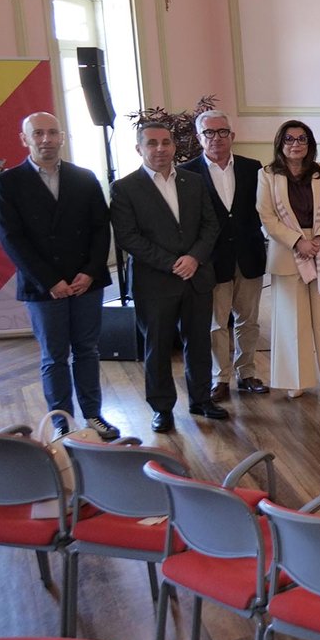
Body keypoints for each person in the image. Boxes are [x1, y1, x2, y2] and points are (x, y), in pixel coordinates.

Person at [0, 112, 119, 440]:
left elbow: (100, 229)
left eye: (52, 133)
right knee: (54, 356)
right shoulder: (8, 183)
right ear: (25, 139)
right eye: (38, 133)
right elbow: (12, 239)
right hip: (43, 286)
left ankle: (93, 415)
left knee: (87, 350)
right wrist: (50, 281)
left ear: (62, 137)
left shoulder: (84, 178)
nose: (46, 139)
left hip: (85, 283)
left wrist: (90, 272)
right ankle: (61, 421)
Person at [110, 122, 226, 433]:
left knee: (199, 342)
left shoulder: (193, 181)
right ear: (139, 148)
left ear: (174, 146)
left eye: (165, 142)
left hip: (196, 276)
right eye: (152, 143)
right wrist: (174, 263)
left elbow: (210, 225)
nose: (160, 148)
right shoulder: (125, 188)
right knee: (158, 347)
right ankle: (162, 408)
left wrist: (194, 258)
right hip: (155, 282)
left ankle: (201, 399)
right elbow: (128, 238)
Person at [257, 121, 320, 398]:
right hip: (289, 250)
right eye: (289, 139)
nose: (295, 144)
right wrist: (298, 242)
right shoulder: (267, 175)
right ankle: (296, 380)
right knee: (292, 320)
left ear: (309, 144)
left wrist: (319, 239)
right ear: (280, 143)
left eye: (302, 139)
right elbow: (267, 217)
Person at [181, 110, 269, 399]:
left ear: (232, 135)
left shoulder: (252, 168)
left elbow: (263, 210)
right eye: (209, 132)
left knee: (248, 320)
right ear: (199, 137)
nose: (216, 138)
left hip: (248, 255)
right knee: (216, 323)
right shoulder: (187, 173)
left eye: (222, 132)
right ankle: (220, 378)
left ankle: (247, 373)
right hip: (211, 259)